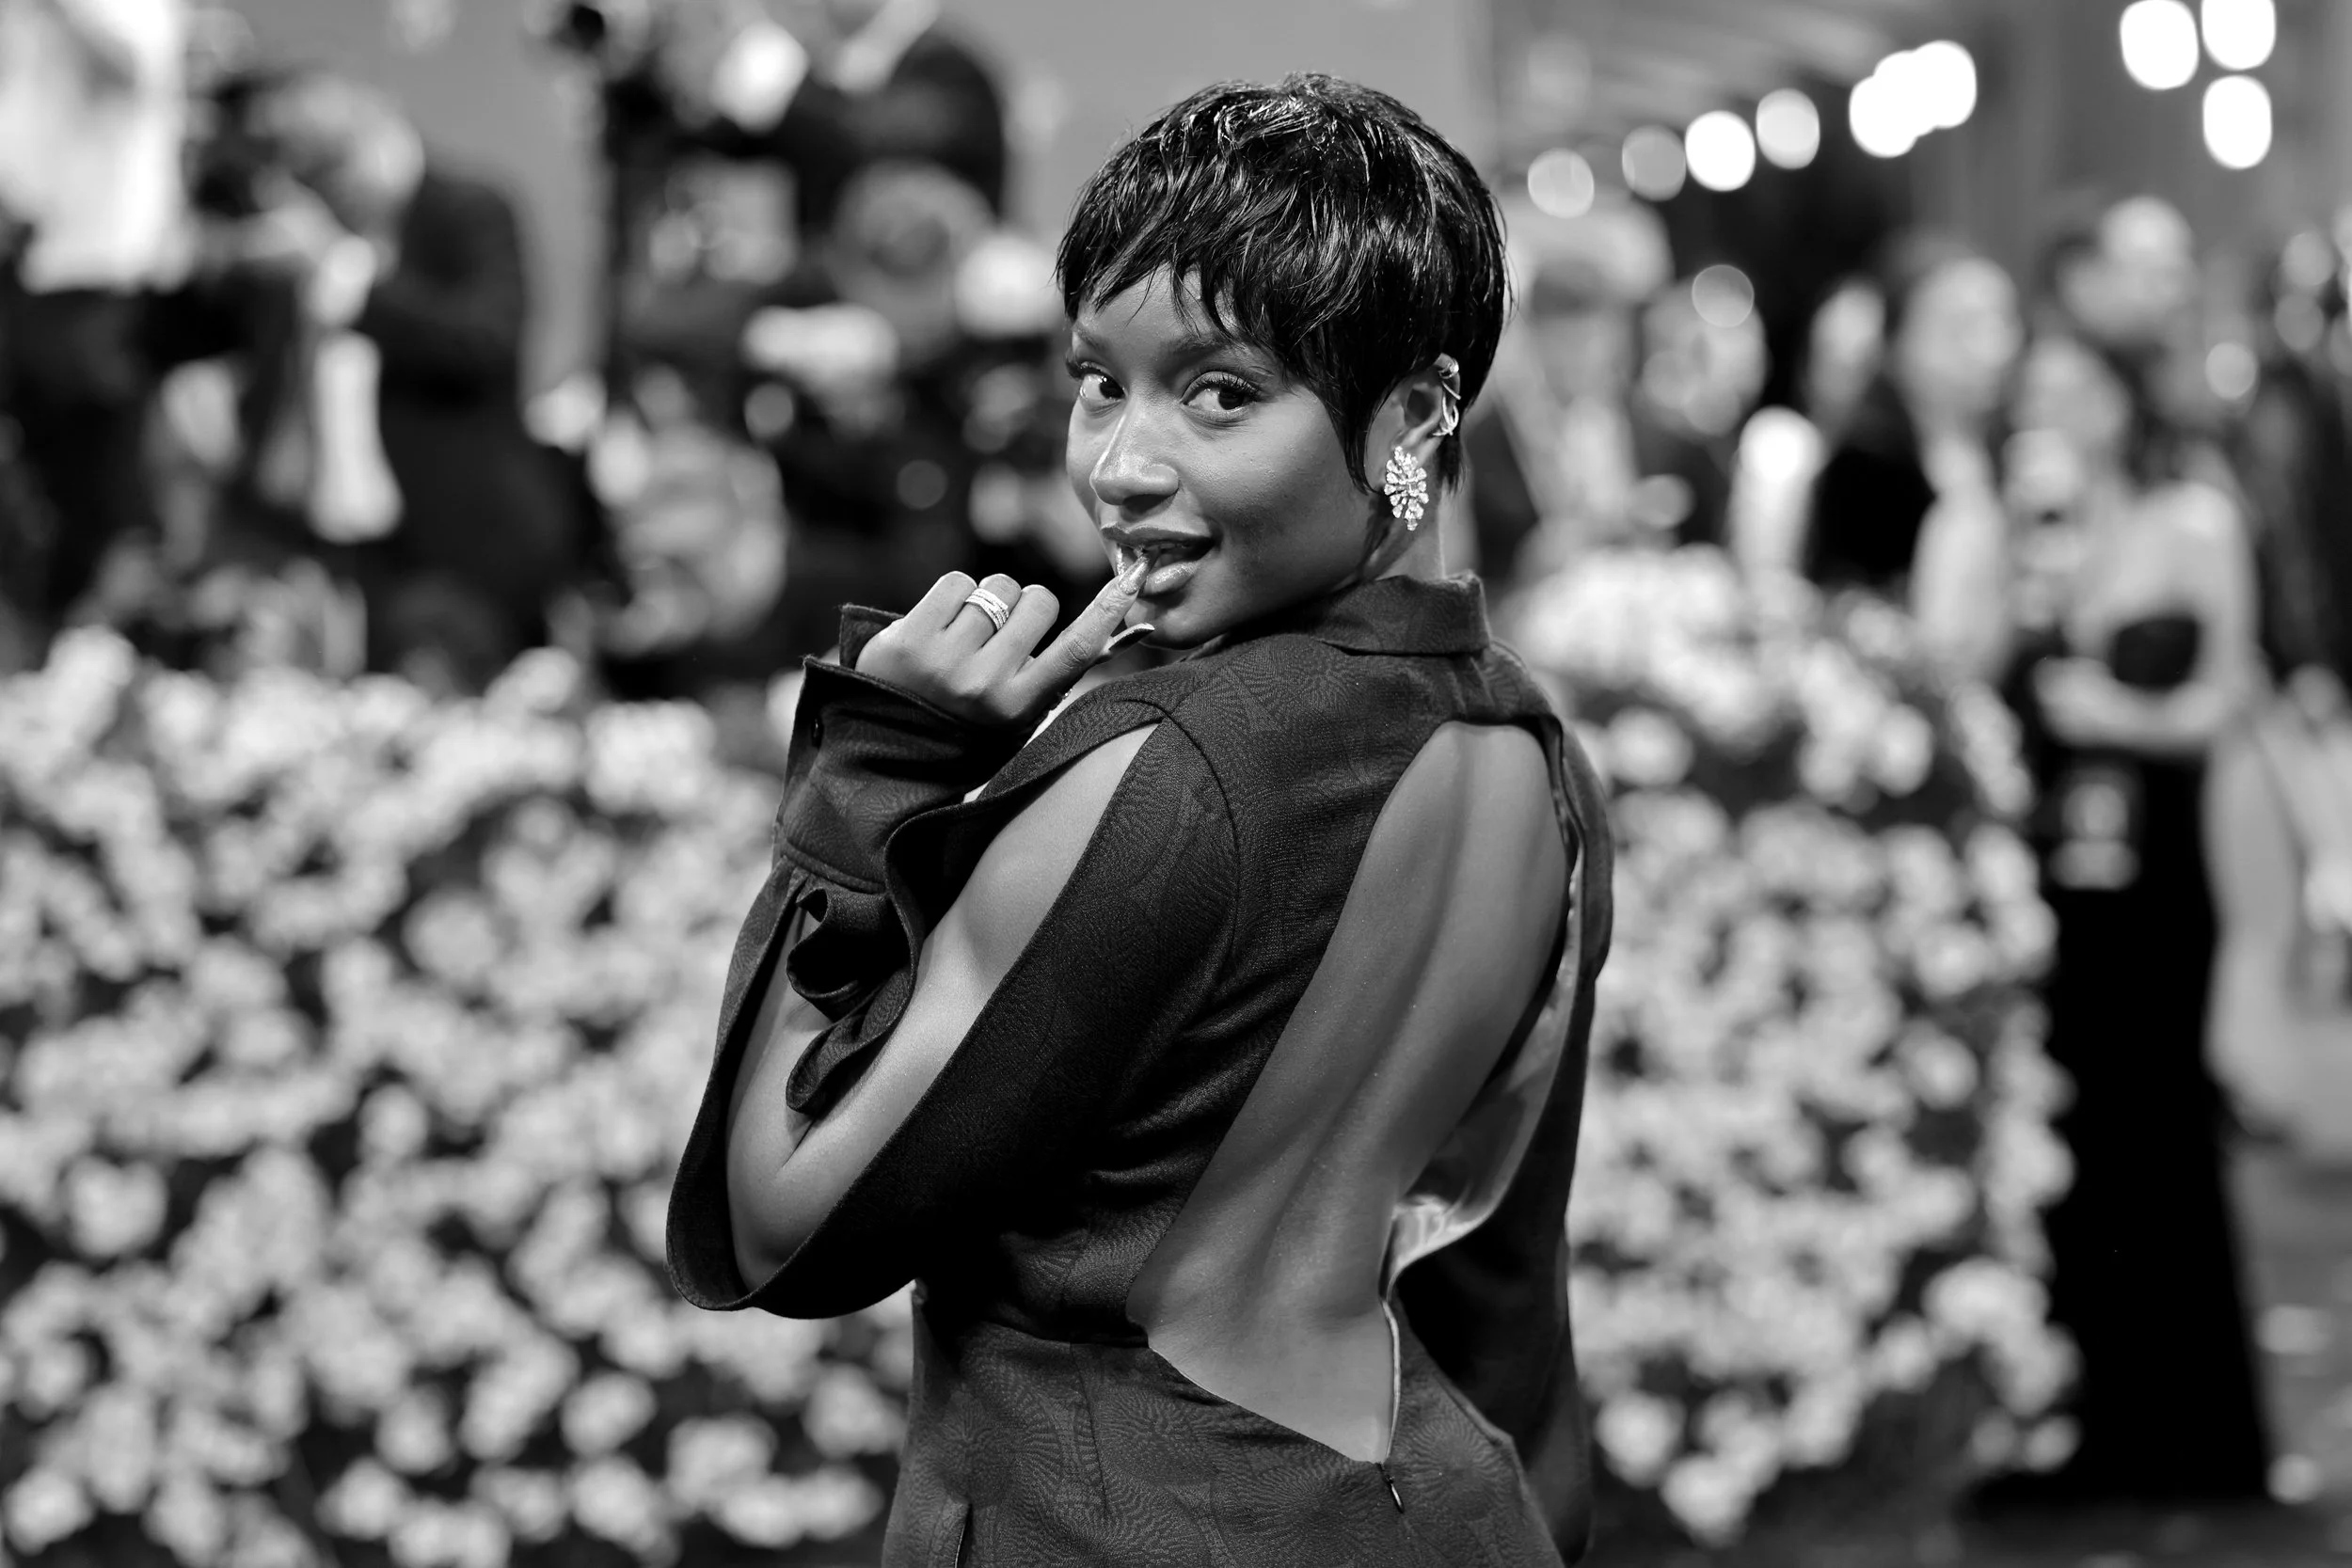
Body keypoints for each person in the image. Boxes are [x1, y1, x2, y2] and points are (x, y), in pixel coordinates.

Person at [668, 75, 1613, 1566]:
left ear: (1414, 413)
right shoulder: (1535, 747)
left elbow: (779, 1219)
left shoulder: (1158, 761)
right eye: (1100, 380)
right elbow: (1502, 1291)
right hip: (1439, 1506)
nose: (1120, 464)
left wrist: (876, 767)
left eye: (1220, 391)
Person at [1988, 328, 2273, 1507]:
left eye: (2071, 385)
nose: (2050, 407)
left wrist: (2107, 706)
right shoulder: (2032, 522)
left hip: (2160, 855)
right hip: (2060, 858)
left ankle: (2201, 1432)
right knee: (2081, 1130)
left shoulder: (2193, 517)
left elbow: (2226, 693)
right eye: (2035, 392)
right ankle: (2090, 1415)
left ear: (2119, 393)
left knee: (2163, 1126)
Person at [159, 67, 577, 689]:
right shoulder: (298, 233)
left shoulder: (466, 208)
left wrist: (336, 273)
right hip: (322, 547)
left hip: (458, 543)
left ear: (378, 132)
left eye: (329, 170)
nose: (324, 192)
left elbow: (481, 342)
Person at [0, 0, 187, 638]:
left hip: (91, 270)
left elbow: (131, 67)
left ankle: (111, 652)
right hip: (24, 260)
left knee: (98, 489)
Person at [1804, 235, 2019, 681]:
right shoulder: (1867, 463)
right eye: (1961, 327)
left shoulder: (2009, 452)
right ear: (1897, 339)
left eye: (2001, 322)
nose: (1991, 347)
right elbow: (1847, 615)